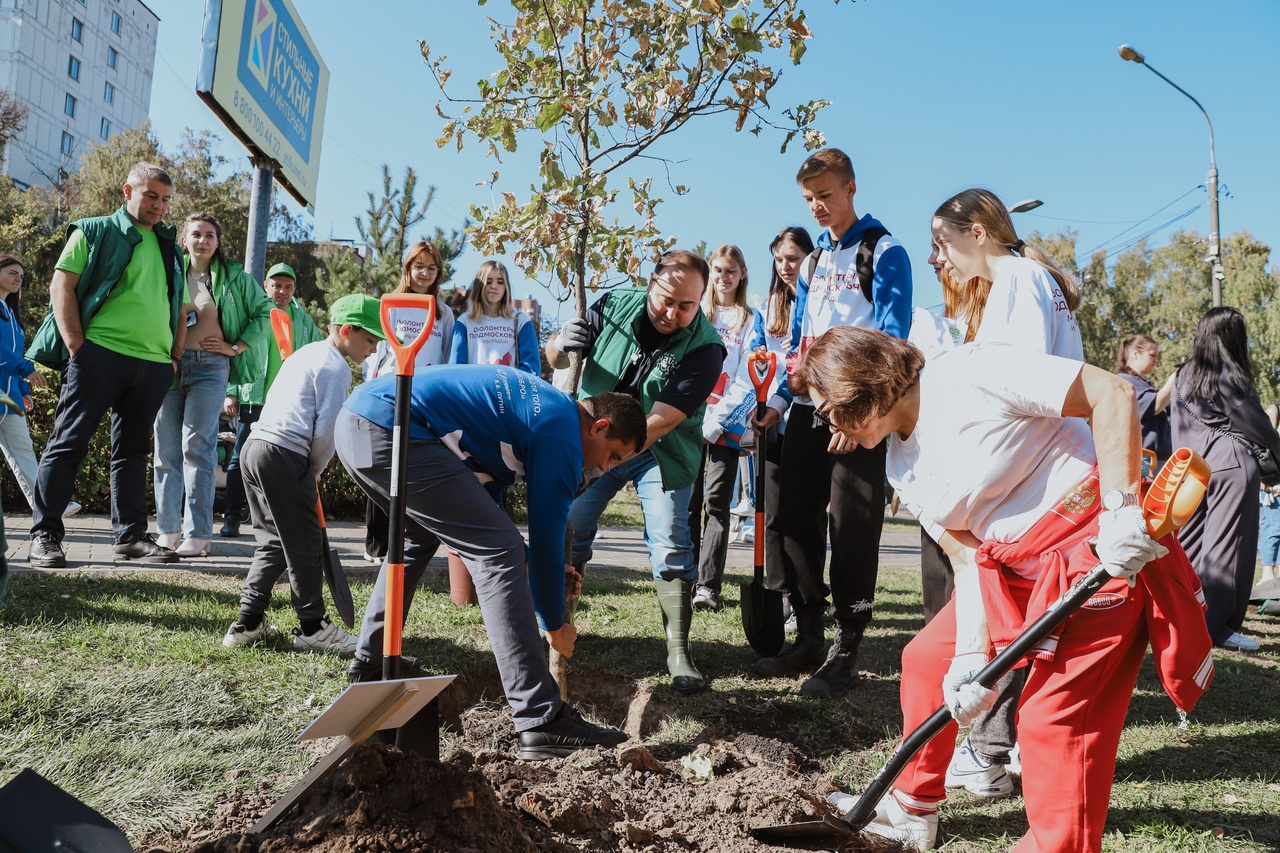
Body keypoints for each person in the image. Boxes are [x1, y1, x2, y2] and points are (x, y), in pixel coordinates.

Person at [800, 327, 1213, 852]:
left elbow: (1112, 393)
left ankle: (1055, 843)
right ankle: (910, 810)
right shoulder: (899, 463)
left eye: (828, 409)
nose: (829, 426)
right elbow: (968, 556)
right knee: (928, 660)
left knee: (1051, 724)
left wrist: (1120, 512)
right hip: (1016, 572)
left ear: (863, 386)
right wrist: (969, 657)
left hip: (1101, 551)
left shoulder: (972, 372)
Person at [338, 364, 646, 759]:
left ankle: (371, 666)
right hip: (391, 427)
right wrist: (553, 622)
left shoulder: (545, 412)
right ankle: (540, 717)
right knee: (498, 551)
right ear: (599, 426)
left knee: (420, 537)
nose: (603, 468)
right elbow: (544, 535)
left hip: (362, 421)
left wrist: (533, 564)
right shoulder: (563, 436)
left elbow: (486, 510)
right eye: (612, 456)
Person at [929, 186, 1085, 798]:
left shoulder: (1016, 278)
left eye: (944, 242)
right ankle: (1007, 748)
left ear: (979, 231)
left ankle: (986, 752)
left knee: (1010, 610)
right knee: (1037, 616)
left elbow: (1016, 385)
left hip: (1036, 472)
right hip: (1059, 463)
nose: (941, 258)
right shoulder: (1034, 277)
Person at [753, 148, 912, 698]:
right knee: (794, 523)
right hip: (803, 413)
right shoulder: (815, 261)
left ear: (850, 188)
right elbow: (798, 340)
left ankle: (848, 647)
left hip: (856, 418)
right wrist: (777, 396)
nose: (817, 207)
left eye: (825, 195)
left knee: (851, 531)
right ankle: (810, 636)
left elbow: (896, 344)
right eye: (808, 200)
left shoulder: (885, 251)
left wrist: (864, 414)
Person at [546, 250, 726, 695]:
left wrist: (603, 461)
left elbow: (661, 421)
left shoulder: (705, 348)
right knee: (570, 528)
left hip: (659, 449)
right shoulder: (610, 306)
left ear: (701, 300)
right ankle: (554, 629)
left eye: (687, 305)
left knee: (670, 540)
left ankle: (679, 650)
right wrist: (559, 342)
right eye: (666, 299)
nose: (673, 313)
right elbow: (557, 360)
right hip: (594, 438)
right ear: (651, 283)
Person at [26, 162, 187, 568]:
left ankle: (130, 537)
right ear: (127, 190)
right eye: (151, 196)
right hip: (99, 356)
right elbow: (62, 284)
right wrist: (78, 347)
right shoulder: (94, 230)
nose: (159, 206)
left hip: (153, 364)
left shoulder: (172, 246)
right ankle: (44, 535)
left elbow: (180, 306)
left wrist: (173, 358)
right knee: (68, 443)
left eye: (165, 199)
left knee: (132, 453)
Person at [222, 294, 385, 654]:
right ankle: (313, 627)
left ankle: (247, 623)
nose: (373, 350)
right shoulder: (336, 368)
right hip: (284, 453)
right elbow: (326, 432)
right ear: (347, 331)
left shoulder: (305, 354)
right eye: (370, 340)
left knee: (274, 542)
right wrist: (310, 473)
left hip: (254, 447)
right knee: (307, 544)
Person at [154, 213, 273, 557]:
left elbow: (264, 313)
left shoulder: (234, 276)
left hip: (210, 368)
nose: (203, 240)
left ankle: (199, 534)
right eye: (196, 234)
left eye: (209, 235)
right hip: (171, 366)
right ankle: (167, 531)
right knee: (165, 451)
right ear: (185, 240)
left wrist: (234, 347)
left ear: (218, 241)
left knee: (197, 447)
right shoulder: (170, 272)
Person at [1171, 306, 1280, 653]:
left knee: (1185, 548)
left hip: (1190, 467)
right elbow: (1259, 426)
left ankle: (1176, 618)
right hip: (1231, 466)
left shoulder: (1181, 374)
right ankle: (1217, 628)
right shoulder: (1229, 374)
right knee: (1227, 551)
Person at [361, 240, 456, 564]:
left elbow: (445, 358)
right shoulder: (393, 303)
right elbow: (377, 351)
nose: (425, 273)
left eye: (432, 267)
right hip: (390, 392)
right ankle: (376, 545)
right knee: (384, 466)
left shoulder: (444, 313)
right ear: (408, 269)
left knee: (412, 468)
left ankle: (407, 542)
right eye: (419, 266)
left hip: (424, 397)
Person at [220, 262, 324, 537]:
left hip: (287, 404)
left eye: (288, 287)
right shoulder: (256, 313)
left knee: (280, 463)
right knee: (240, 458)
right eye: (276, 285)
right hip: (252, 398)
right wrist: (231, 390)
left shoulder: (303, 319)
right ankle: (232, 517)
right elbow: (237, 349)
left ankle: (275, 521)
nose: (282, 291)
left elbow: (318, 353)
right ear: (266, 286)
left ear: (294, 289)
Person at [748, 227, 814, 631]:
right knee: (770, 514)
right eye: (779, 259)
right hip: (770, 419)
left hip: (804, 416)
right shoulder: (766, 307)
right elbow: (756, 357)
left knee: (800, 513)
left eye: (793, 258)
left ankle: (807, 593)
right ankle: (779, 593)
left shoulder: (819, 302)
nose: (786, 267)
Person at [689, 245, 756, 613]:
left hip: (726, 426)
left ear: (742, 274)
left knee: (717, 504)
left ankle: (708, 586)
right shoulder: (698, 313)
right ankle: (683, 577)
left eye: (731, 271)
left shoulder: (750, 320)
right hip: (689, 422)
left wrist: (718, 420)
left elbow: (748, 376)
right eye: (717, 270)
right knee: (687, 501)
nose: (723, 277)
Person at [0, 255, 80, 516]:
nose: (18, 279)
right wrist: (27, 370)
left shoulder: (10, 314)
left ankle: (48, 507)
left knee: (24, 452)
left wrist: (23, 391)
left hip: (9, 399)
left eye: (21, 275)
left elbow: (14, 354)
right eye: (12, 272)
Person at [449, 259, 539, 374]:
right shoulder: (464, 322)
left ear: (506, 287)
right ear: (479, 285)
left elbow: (531, 369)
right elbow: (456, 369)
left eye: (500, 282)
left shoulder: (521, 321)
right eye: (489, 281)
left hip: (510, 390)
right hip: (475, 390)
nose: (494, 286)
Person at [1115, 333, 1172, 468]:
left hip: (1157, 460)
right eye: (1152, 355)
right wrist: (1175, 379)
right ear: (1136, 355)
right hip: (1145, 460)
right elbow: (1156, 405)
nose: (1156, 360)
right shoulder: (1125, 382)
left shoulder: (1142, 383)